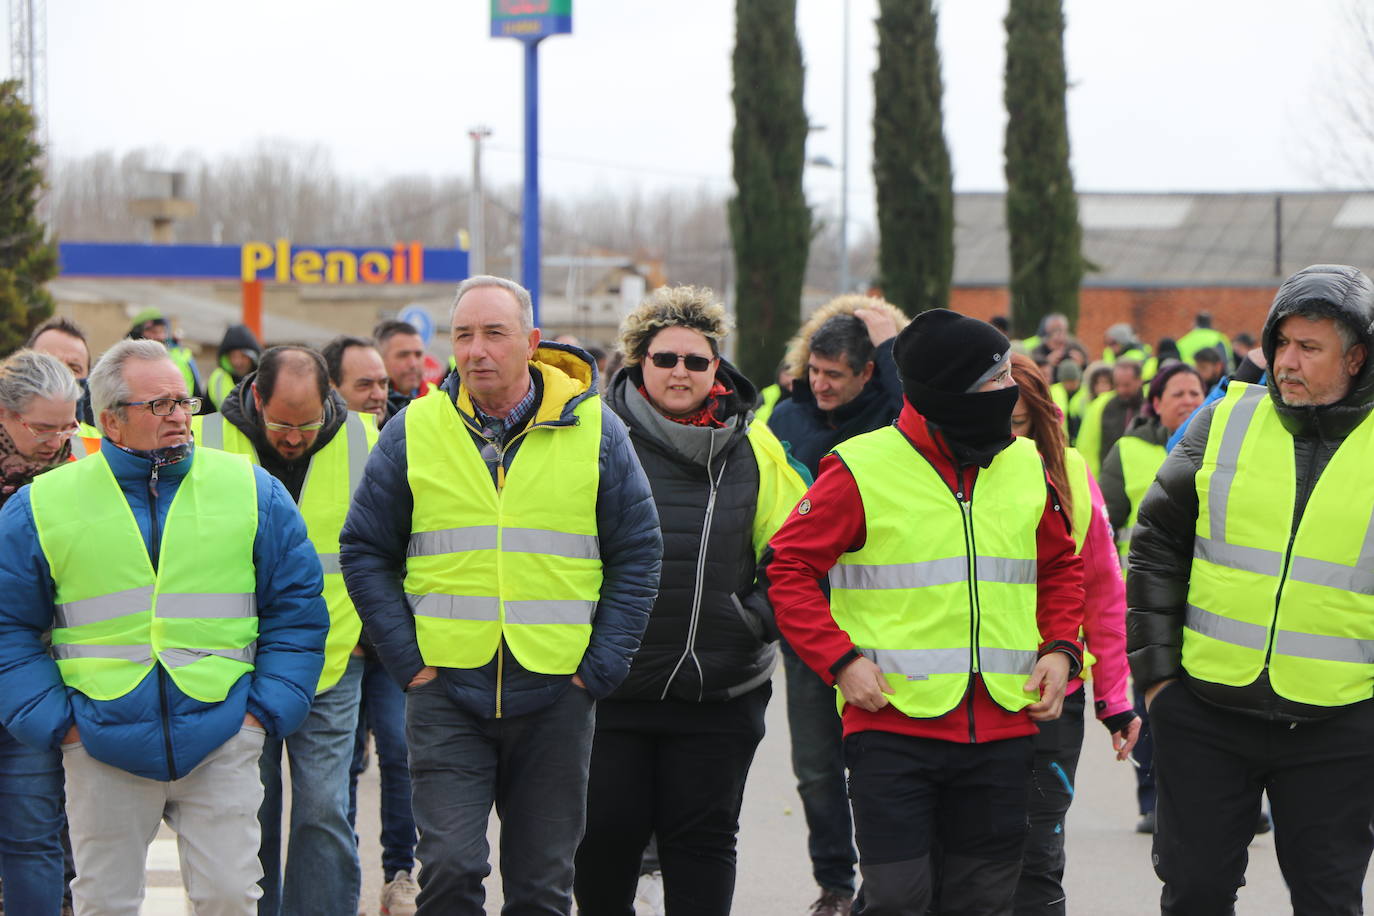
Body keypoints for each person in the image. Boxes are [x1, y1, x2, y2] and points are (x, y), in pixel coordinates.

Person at [340, 275, 662, 915]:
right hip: (446, 692)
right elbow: (365, 550)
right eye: (463, 335)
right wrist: (409, 663)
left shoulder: (597, 432)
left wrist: (598, 670)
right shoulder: (415, 430)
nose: (476, 350)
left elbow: (639, 552)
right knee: (453, 873)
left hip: (556, 694)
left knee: (542, 889)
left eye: (494, 333)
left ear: (531, 342)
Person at [769, 309, 1085, 916]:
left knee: (983, 901)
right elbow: (787, 567)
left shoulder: (1024, 464)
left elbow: (1061, 567)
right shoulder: (860, 467)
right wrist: (840, 663)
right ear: (952, 393)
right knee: (897, 899)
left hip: (1002, 725)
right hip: (892, 725)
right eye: (995, 379)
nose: (1010, 391)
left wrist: (1060, 649)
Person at [0, 338, 327, 916]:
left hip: (224, 732)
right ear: (109, 422)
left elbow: (297, 611)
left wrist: (263, 714)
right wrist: (60, 727)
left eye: (184, 401)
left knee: (230, 898)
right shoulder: (41, 506)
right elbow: (7, 628)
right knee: (105, 904)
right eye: (159, 406)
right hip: (99, 740)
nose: (179, 416)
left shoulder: (253, 491)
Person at [1127, 264, 1374, 914]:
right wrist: (1158, 684)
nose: (1287, 362)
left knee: (1329, 901)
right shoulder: (1223, 422)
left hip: (1338, 725)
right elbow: (1155, 544)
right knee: (1196, 896)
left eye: (1309, 348)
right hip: (1206, 715)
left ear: (1357, 356)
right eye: (1282, 342)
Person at [573, 286, 806, 914]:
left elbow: (794, 553)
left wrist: (751, 621)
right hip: (610, 691)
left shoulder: (756, 447)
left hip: (719, 693)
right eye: (665, 358)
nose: (680, 371)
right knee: (605, 844)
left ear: (716, 368)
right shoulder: (590, 437)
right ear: (637, 364)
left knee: (701, 844)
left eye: (696, 361)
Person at [192, 346, 377, 916]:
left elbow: (392, 540)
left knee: (324, 806)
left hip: (331, 658)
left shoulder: (366, 440)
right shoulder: (205, 441)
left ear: (328, 400)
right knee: (253, 805)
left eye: (307, 423)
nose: (294, 437)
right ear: (255, 396)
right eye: (280, 424)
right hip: (239, 662)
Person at [766, 294, 907, 916]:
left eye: (835, 376)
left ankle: (886, 882)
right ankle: (834, 884)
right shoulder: (784, 421)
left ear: (868, 372)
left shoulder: (898, 425)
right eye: (813, 372)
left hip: (882, 623)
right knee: (816, 770)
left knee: (880, 767)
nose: (819, 386)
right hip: (806, 624)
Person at [1006, 352, 1139, 916]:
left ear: (1038, 419)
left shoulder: (1072, 474)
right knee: (963, 861)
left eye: (1016, 423)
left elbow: (1105, 591)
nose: (1006, 437)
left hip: (1054, 693)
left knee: (1038, 857)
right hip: (958, 692)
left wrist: (1114, 700)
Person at [0, 350, 81, 915]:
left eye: (67, 425)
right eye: (41, 428)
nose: (57, 440)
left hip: (38, 683)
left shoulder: (91, 467)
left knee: (33, 838)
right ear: (5, 415)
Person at [1076, 358, 1145, 477]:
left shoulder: (1150, 406)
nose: (1121, 390)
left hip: (1141, 478)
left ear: (1139, 381)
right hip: (1110, 479)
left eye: (1126, 385)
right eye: (1117, 385)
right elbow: (1087, 447)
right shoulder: (1100, 405)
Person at [127, 307, 206, 403]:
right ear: (137, 333)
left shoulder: (182, 355)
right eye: (153, 331)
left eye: (162, 331)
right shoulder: (126, 361)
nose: (160, 336)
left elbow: (198, 393)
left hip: (182, 411)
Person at [322, 335, 390, 425]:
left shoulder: (405, 430)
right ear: (331, 387)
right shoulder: (307, 436)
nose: (379, 396)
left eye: (383, 383)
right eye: (365, 385)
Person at [373, 319, 434, 414]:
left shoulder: (440, 398)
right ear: (380, 359)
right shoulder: (371, 405)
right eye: (403, 355)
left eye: (418, 354)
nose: (413, 364)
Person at [206, 324, 262, 411]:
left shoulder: (264, 378)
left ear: (252, 357)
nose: (238, 362)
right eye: (233, 356)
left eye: (243, 356)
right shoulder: (217, 378)